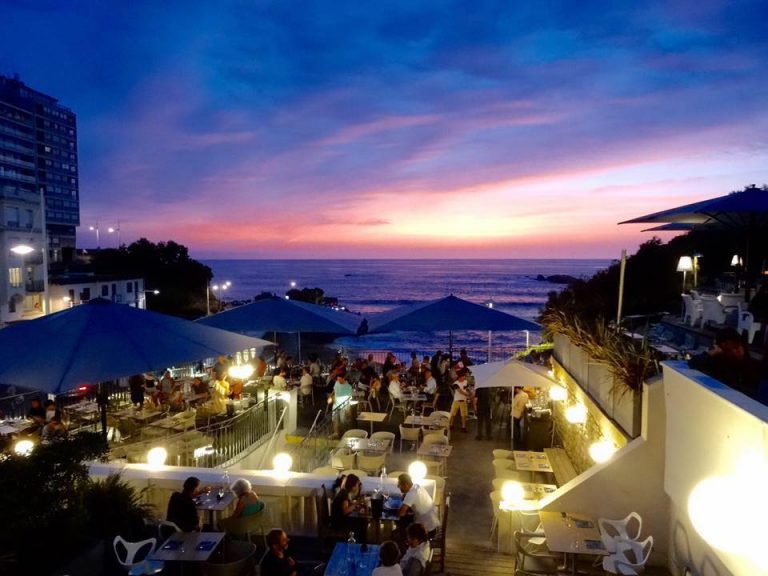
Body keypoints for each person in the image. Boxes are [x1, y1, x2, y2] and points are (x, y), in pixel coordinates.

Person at [688, 327, 760, 396]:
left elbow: (750, 391)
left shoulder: (753, 366)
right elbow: (693, 363)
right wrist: (712, 352)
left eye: (736, 347)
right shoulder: (720, 360)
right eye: (728, 350)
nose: (734, 352)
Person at [397, 474, 440, 538]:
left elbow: (401, 513)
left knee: (401, 523)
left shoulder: (410, 495)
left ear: (406, 485)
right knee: (406, 520)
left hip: (426, 530)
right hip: (433, 524)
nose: (398, 487)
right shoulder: (417, 486)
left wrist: (398, 509)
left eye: (399, 485)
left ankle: (405, 543)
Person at [330, 473, 368, 541]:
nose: (358, 487)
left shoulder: (344, 492)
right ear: (352, 486)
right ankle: (361, 542)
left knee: (362, 521)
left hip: (338, 520)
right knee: (362, 522)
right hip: (339, 523)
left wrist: (355, 504)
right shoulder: (344, 495)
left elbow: (346, 506)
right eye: (357, 485)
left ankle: (360, 541)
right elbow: (345, 511)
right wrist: (356, 504)